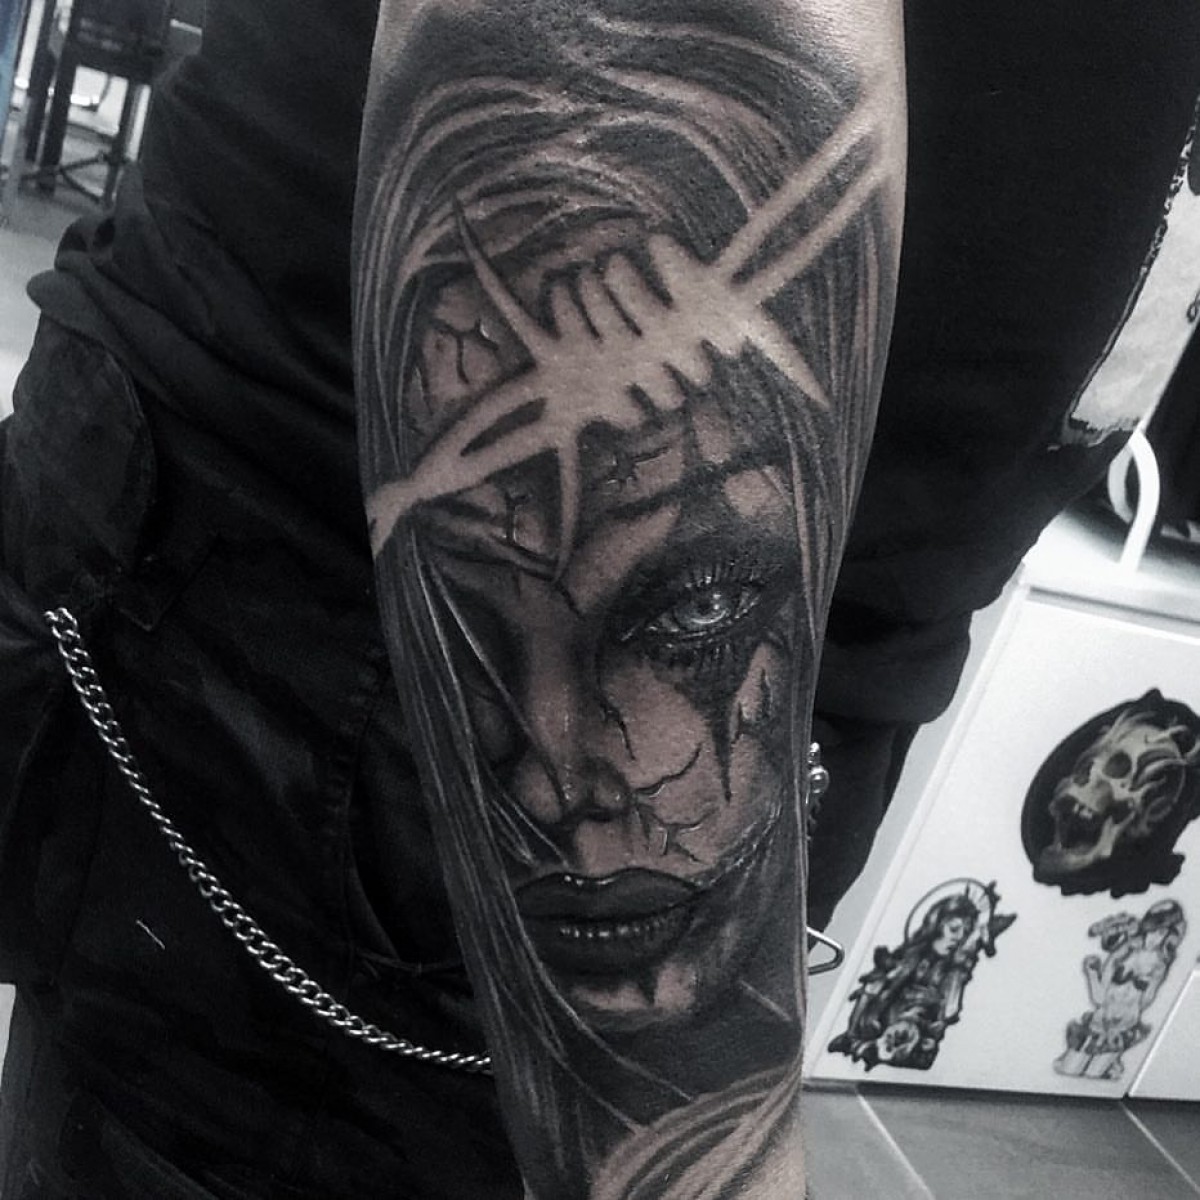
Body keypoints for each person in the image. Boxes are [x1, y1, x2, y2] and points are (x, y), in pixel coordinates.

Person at [1, 0, 1197, 1195]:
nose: (557, 786)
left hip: (800, 649)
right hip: (327, 660)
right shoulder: (576, 670)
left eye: (688, 616)